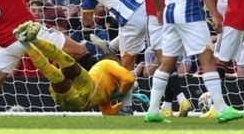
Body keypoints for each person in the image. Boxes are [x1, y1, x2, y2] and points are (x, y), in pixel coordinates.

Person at [11, 21, 149, 115]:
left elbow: (126, 83)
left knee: (61, 64)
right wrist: (123, 95)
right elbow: (129, 79)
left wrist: (121, 96)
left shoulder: (103, 73)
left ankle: (30, 42)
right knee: (56, 72)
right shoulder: (108, 67)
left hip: (83, 89)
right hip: (78, 99)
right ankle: (28, 43)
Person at [82, 0, 146, 115]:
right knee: (163, 54)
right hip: (147, 6)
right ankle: (110, 47)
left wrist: (88, 21)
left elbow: (87, 20)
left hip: (129, 19)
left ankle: (126, 107)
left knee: (126, 67)